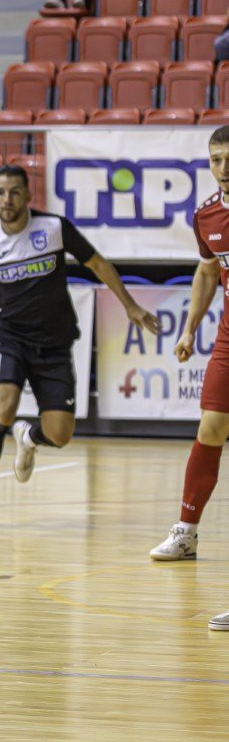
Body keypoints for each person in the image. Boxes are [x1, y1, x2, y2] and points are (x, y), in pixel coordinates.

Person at [0, 164, 158, 528]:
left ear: (29, 196)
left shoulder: (54, 228)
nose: (7, 199)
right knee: (4, 405)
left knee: (60, 434)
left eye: (15, 191)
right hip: (12, 340)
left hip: (55, 343)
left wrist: (128, 303)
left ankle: (28, 436)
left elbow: (98, 263)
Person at [155, 127, 229, 563]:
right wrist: (189, 330)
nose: (224, 168)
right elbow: (206, 272)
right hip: (227, 337)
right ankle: (186, 532)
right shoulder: (206, 216)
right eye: (216, 159)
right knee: (211, 428)